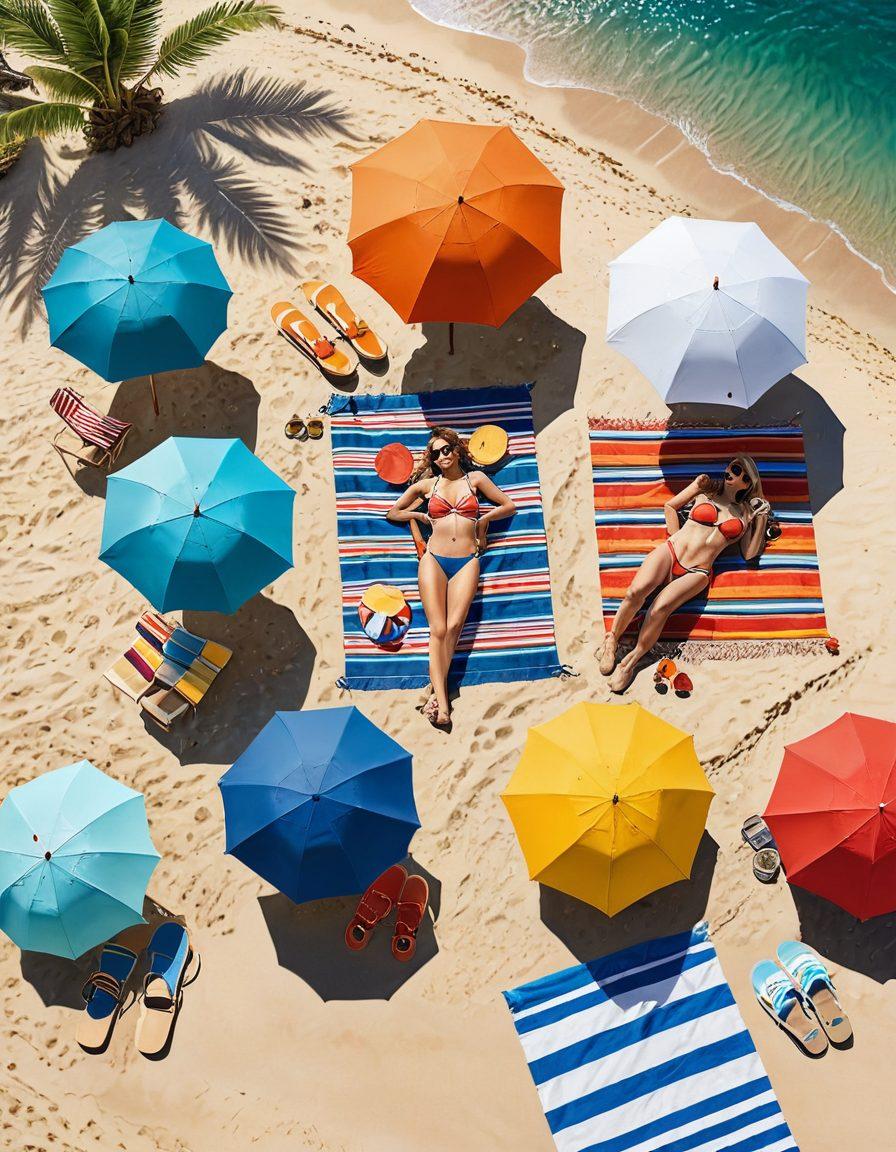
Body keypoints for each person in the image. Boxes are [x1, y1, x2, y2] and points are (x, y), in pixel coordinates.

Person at [599, 456, 771, 692]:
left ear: (748, 485)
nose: (736, 475)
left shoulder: (744, 515)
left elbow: (750, 553)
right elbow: (670, 506)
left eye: (744, 476)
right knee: (635, 592)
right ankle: (611, 640)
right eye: (735, 468)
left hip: (698, 571)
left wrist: (760, 520)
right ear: (728, 467)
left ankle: (629, 663)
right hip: (672, 551)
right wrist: (675, 536)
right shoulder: (705, 489)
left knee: (659, 609)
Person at [387, 427, 516, 728]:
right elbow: (394, 512)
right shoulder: (428, 486)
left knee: (455, 626)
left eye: (446, 449)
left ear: (457, 450)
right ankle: (443, 705)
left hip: (467, 560)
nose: (442, 456)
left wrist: (483, 521)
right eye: (435, 453)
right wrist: (418, 516)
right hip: (434, 559)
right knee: (439, 629)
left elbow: (508, 505)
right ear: (432, 459)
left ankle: (435, 689)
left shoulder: (476, 480)